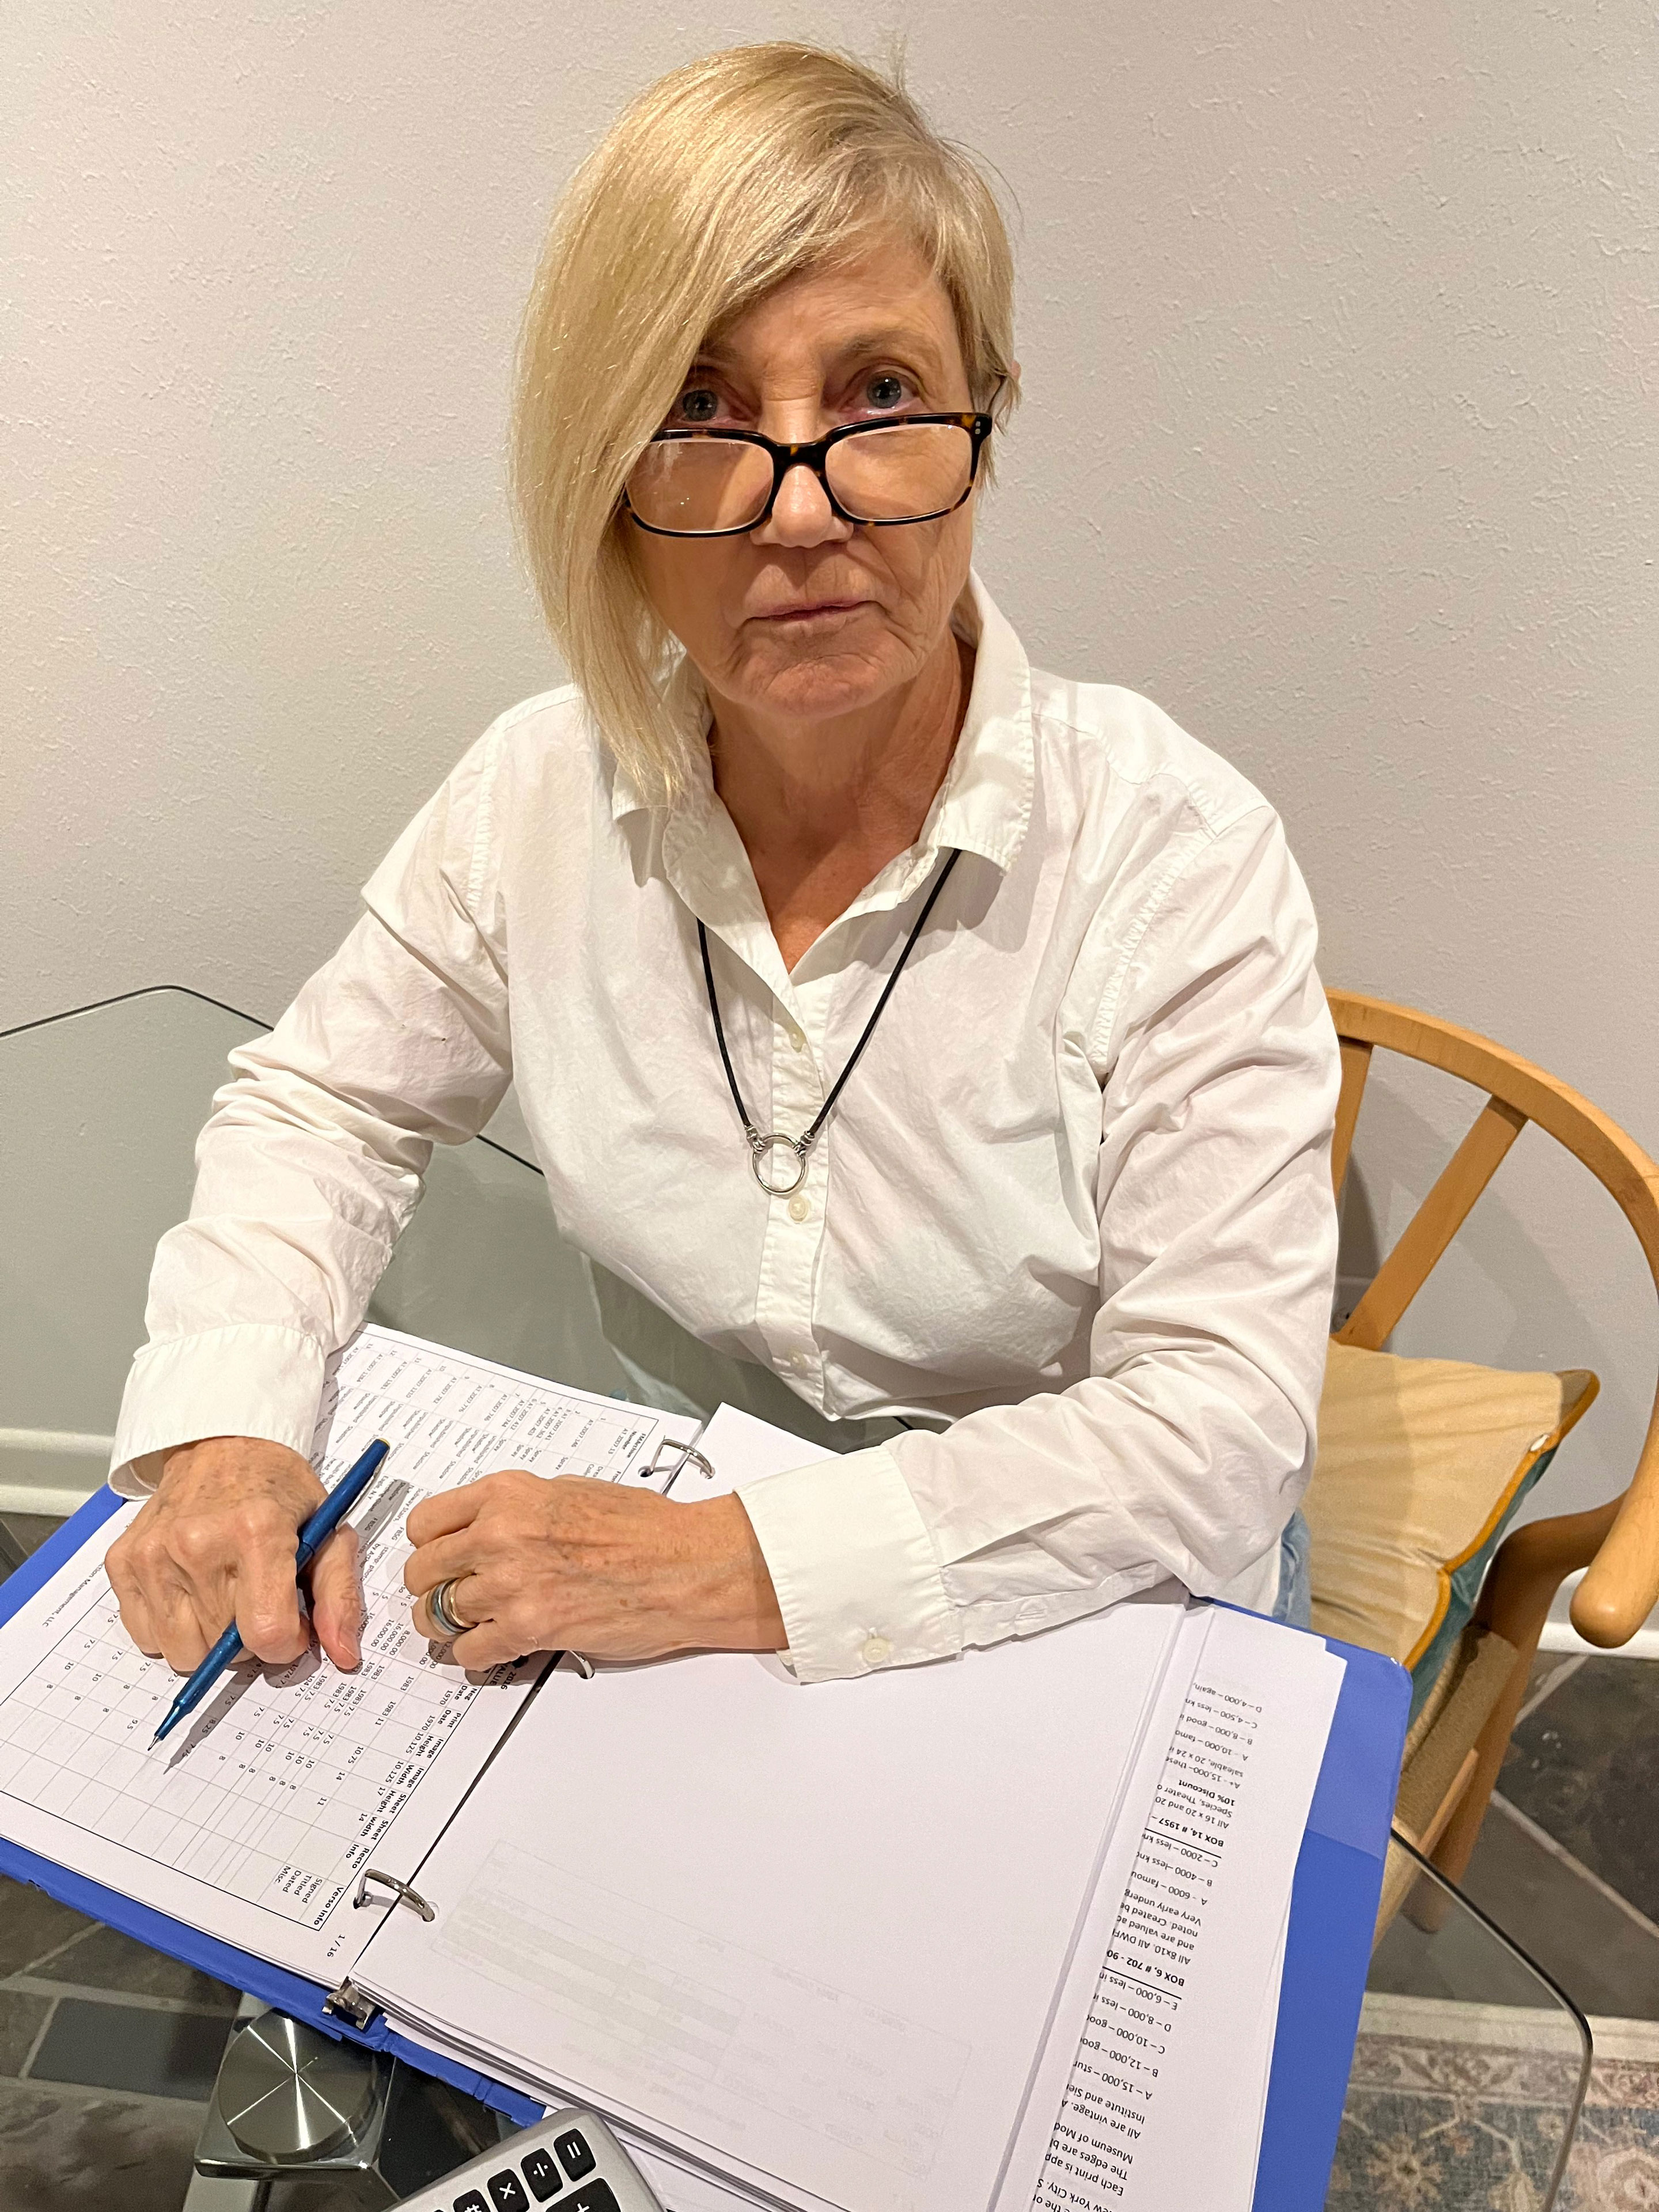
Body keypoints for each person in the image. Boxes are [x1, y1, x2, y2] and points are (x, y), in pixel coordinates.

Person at [105, 42, 1339, 1690]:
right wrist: (230, 1427)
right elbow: (325, 1104)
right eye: (698, 410)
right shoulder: (534, 797)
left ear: (983, 428)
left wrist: (728, 1564)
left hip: (1069, 1587)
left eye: (881, 396)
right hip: (659, 1546)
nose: (799, 512)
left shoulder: (1175, 853)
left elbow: (1219, 1424)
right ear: (606, 484)